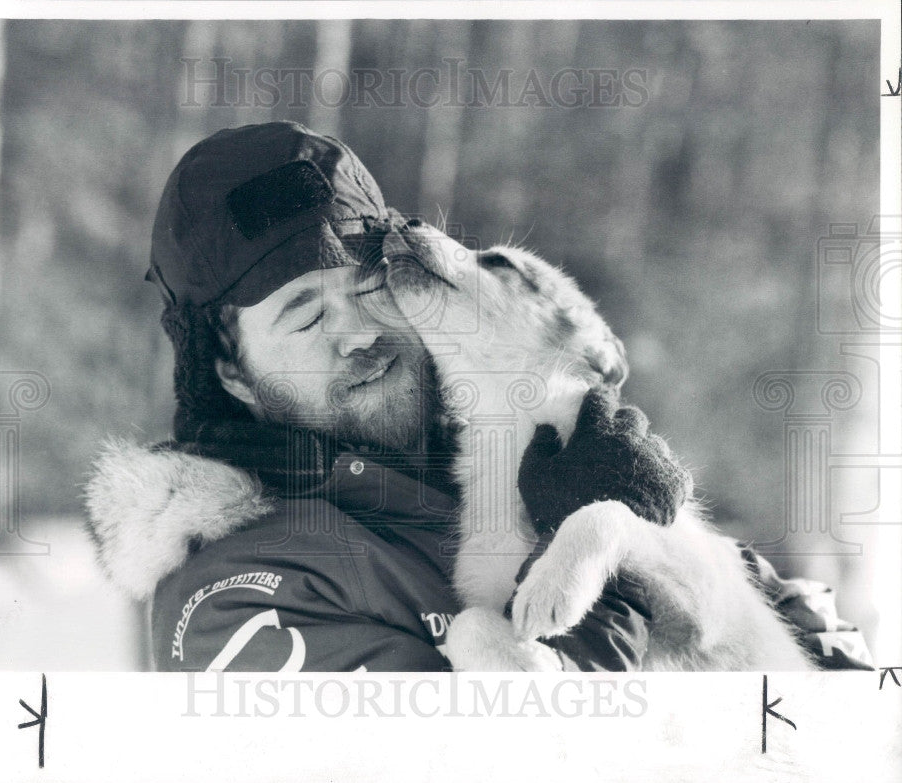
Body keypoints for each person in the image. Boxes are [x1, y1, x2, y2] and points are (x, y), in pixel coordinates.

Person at [84, 121, 872, 672]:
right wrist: (610, 570)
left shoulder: (497, 456)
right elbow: (508, 764)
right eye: (305, 315)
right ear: (226, 370)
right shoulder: (236, 595)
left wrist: (816, 646)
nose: (359, 333)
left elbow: (789, 647)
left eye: (372, 288)